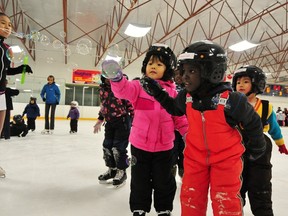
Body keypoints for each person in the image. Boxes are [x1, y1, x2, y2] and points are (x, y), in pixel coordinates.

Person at [140, 40, 266, 216]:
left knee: (225, 200)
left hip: (226, 161)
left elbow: (253, 123)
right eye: (183, 71)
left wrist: (257, 147)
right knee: (191, 198)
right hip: (194, 158)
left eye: (191, 71)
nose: (184, 77)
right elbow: (174, 108)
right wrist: (158, 93)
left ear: (212, 71)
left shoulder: (231, 100)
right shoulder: (187, 96)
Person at [101, 43, 188, 216]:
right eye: (150, 63)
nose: (153, 66)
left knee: (165, 181)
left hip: (165, 147)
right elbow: (122, 91)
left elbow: (180, 117)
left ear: (168, 69)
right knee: (140, 181)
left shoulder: (172, 93)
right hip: (140, 146)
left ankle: (164, 208)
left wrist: (188, 134)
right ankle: (139, 208)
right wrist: (116, 78)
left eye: (159, 64)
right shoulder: (138, 86)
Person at [232, 65, 288, 216]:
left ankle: (263, 211)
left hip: (261, 148)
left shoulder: (265, 106)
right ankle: (235, 209)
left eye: (245, 81)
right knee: (237, 183)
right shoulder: (232, 106)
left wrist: (280, 143)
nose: (241, 85)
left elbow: (274, 127)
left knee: (260, 184)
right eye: (238, 82)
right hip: (236, 147)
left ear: (257, 84)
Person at [0, 12, 33, 178]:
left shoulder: (6, 49)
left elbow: (5, 71)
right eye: (2, 23)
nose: (7, 27)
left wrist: (21, 69)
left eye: (9, 25)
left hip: (0, 94)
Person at [93, 74, 134, 188]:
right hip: (110, 121)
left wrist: (135, 120)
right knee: (107, 146)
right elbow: (104, 106)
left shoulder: (123, 87)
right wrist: (100, 119)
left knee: (118, 148)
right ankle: (112, 169)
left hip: (123, 121)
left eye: (112, 76)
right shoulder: (102, 89)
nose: (109, 79)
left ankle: (122, 172)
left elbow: (131, 105)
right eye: (107, 76)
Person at [171, 69, 185, 178]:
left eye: (180, 74)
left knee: (184, 150)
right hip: (173, 128)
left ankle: (183, 168)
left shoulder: (189, 88)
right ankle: (172, 167)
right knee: (173, 149)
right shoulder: (172, 88)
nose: (178, 77)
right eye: (176, 75)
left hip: (186, 126)